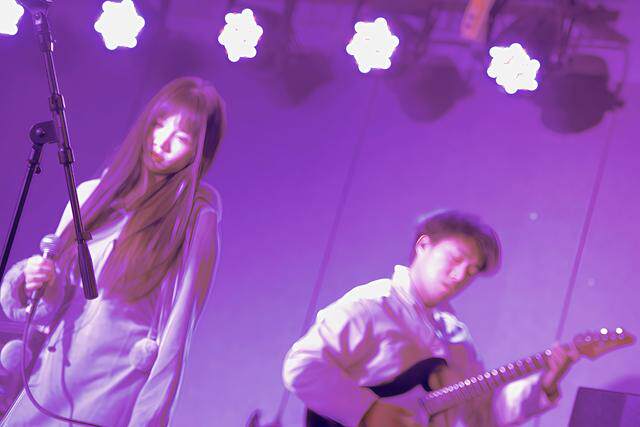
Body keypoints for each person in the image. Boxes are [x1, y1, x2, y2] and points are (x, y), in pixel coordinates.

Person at [0, 76, 226, 426]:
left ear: (200, 153)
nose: (162, 142)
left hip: (107, 398)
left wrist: (149, 420)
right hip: (45, 386)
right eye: (159, 124)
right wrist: (36, 282)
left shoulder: (194, 222)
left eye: (181, 138)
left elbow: (176, 338)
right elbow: (49, 307)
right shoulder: (91, 195)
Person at [282, 210, 576, 427]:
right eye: (454, 259)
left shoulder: (456, 337)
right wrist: (367, 411)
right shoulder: (373, 304)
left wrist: (546, 383)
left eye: (471, 271)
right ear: (423, 246)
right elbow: (303, 366)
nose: (460, 275)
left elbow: (483, 414)